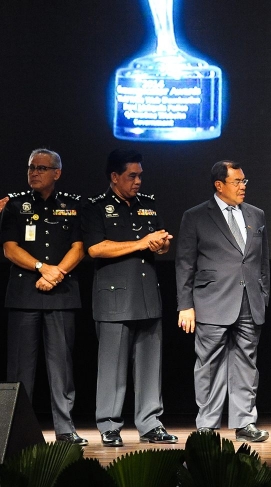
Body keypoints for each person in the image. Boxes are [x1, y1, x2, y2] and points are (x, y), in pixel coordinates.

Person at [81, 149, 176, 447]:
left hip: (147, 295)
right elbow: (95, 249)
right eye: (131, 176)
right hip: (115, 299)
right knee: (112, 366)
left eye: (140, 175)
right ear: (114, 177)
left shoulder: (147, 205)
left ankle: (150, 423)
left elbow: (157, 243)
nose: (138, 181)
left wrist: (160, 246)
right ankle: (109, 424)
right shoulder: (96, 207)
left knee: (150, 365)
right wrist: (141, 243)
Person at [176, 160, 270, 442]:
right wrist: (185, 304)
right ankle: (207, 425)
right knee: (209, 364)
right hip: (211, 301)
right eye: (237, 182)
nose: (243, 187)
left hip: (249, 301)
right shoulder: (195, 216)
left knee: (246, 363)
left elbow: (261, 262)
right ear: (219, 185)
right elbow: (184, 263)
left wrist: (263, 295)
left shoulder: (256, 214)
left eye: (244, 181)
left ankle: (244, 423)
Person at [1, 149, 86, 445]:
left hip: (60, 294)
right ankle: (13, 429)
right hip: (25, 294)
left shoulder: (73, 206)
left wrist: (57, 274)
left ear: (56, 173)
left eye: (41, 168)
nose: (34, 172)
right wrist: (42, 268)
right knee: (20, 367)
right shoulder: (15, 205)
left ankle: (65, 428)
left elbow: (79, 247)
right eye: (31, 168)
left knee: (61, 365)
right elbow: (9, 248)